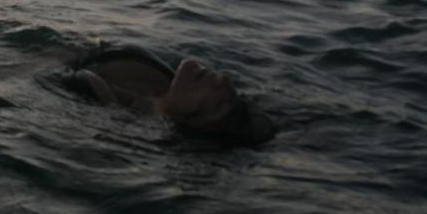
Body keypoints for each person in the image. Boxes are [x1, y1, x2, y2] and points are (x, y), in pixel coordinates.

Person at [59, 44, 274, 144]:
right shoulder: (166, 86)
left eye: (225, 101)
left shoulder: (128, 114)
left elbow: (74, 77)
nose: (225, 81)